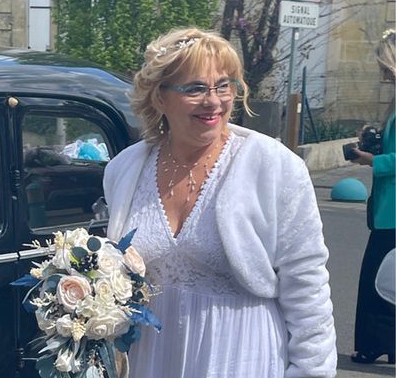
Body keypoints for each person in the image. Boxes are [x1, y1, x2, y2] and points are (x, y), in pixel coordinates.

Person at [104, 27, 337, 377]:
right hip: (151, 358)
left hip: (240, 356)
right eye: (196, 88)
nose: (214, 101)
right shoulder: (124, 169)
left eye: (224, 85)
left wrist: (311, 371)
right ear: (159, 97)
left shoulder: (273, 165)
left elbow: (307, 281)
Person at [350, 29, 395, 365]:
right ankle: (383, 343)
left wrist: (371, 160)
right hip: (385, 208)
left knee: (379, 281)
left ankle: (375, 343)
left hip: (393, 211)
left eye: (385, 64)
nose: (382, 71)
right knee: (382, 280)